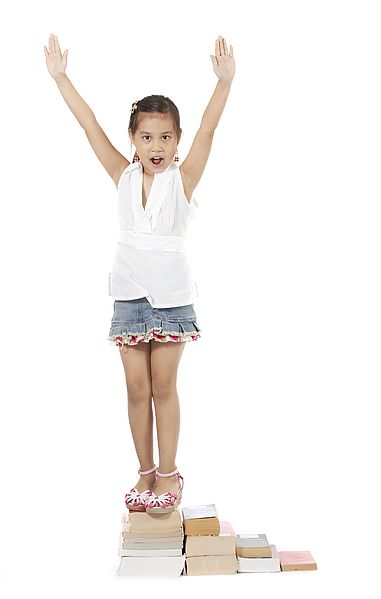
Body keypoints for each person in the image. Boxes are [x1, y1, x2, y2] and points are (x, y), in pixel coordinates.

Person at [44, 33, 235, 513]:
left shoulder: (182, 179)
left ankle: (170, 474)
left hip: (171, 299)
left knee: (164, 386)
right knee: (135, 388)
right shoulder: (123, 176)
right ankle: (145, 471)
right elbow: (89, 126)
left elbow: (209, 130)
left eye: (166, 137)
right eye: (146, 136)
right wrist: (61, 77)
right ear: (133, 138)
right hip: (129, 296)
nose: (156, 146)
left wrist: (224, 84)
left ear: (177, 141)